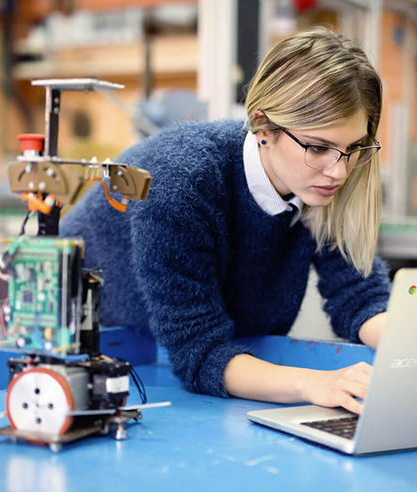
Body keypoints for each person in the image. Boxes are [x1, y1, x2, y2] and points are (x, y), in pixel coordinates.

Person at [60, 27, 390, 414]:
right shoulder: (180, 181)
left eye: (353, 149)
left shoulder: (320, 181)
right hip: (73, 345)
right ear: (263, 126)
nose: (339, 171)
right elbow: (201, 354)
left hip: (174, 360)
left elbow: (360, 298)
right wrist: (317, 383)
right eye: (318, 148)